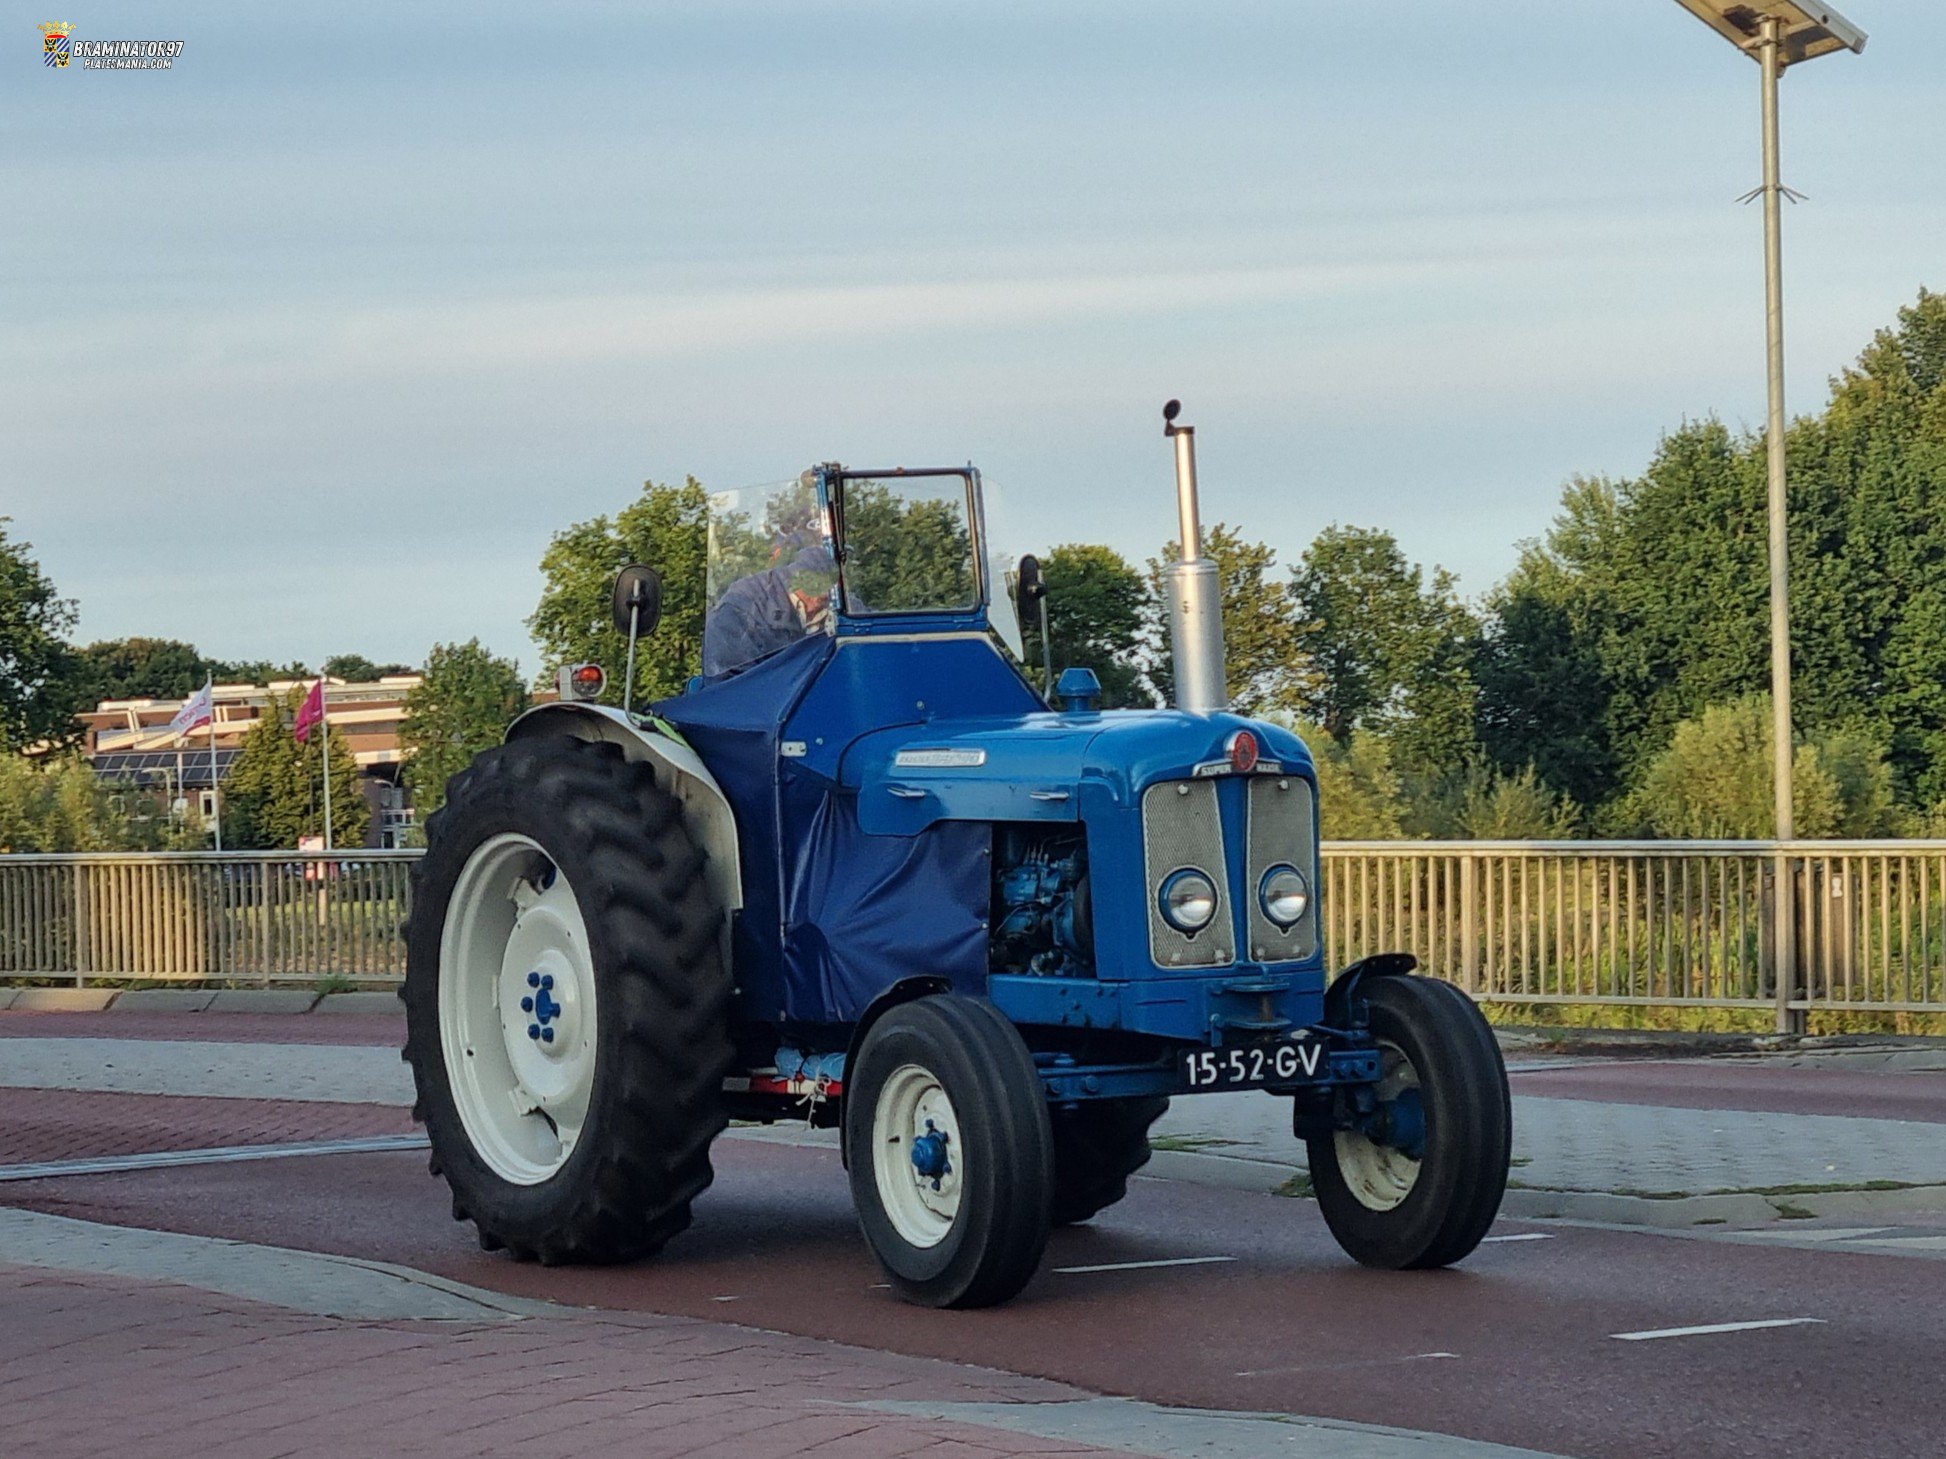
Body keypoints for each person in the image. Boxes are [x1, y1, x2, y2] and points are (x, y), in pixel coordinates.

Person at [702, 540, 839, 678]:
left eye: (833, 584)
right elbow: (731, 688)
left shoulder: (840, 603)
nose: (828, 593)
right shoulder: (739, 610)